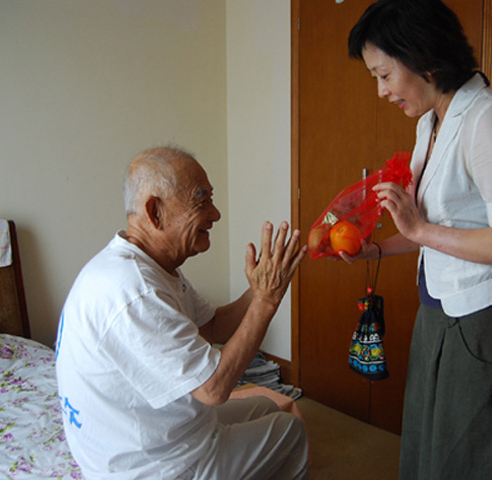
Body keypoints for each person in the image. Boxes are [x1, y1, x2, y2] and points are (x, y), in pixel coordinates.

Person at [343, 1, 492, 479]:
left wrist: (418, 229)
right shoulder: (430, 124)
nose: (381, 91)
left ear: (424, 57)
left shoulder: (489, 122)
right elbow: (437, 227)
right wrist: (381, 247)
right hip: (438, 314)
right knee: (429, 449)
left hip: (483, 323)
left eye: (385, 74)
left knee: (472, 458)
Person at [55, 146, 309, 480]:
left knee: (265, 405)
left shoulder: (148, 264)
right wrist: (267, 301)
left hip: (158, 432)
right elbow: (214, 390)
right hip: (151, 467)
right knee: (291, 429)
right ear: (155, 211)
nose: (215, 214)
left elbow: (214, 326)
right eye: (201, 200)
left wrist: (260, 286)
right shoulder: (133, 290)